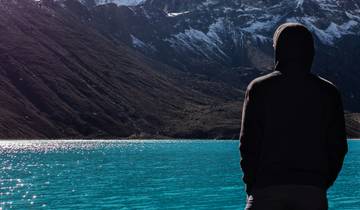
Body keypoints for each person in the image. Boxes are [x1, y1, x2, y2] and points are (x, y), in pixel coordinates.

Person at [239, 23, 348, 210]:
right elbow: (338, 147)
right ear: (310, 51)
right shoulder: (329, 92)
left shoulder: (259, 88)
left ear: (278, 49)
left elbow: (248, 143)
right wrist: (319, 184)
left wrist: (252, 186)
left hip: (265, 190)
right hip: (312, 193)